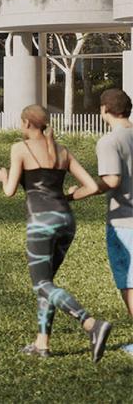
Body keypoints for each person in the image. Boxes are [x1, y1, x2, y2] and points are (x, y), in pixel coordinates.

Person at [0, 104, 115, 360]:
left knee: (41, 283)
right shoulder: (62, 150)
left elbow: (10, 191)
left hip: (41, 223)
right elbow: (93, 185)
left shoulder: (20, 148)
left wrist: (2, 176)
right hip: (66, 221)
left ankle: (92, 325)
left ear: (27, 123)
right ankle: (42, 344)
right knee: (47, 284)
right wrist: (71, 195)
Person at [76, 88, 133, 358]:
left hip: (125, 222)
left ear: (103, 110)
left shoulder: (109, 141)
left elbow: (111, 181)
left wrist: (74, 194)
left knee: (130, 283)